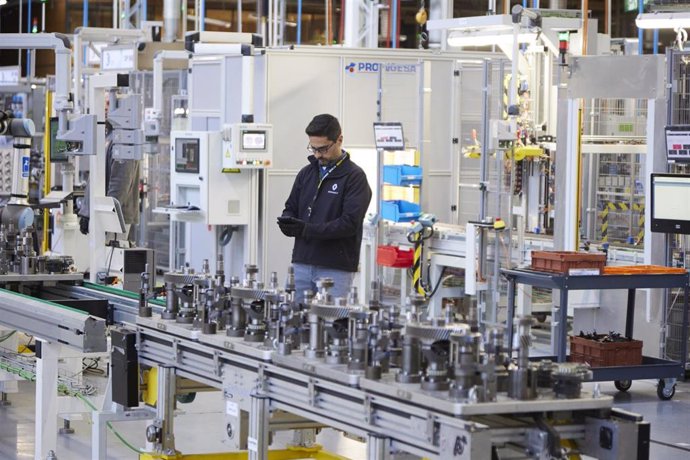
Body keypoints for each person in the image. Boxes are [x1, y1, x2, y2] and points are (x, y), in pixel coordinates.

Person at [279, 114, 372, 302]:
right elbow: (291, 207)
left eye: (323, 149)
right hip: (302, 262)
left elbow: (349, 224)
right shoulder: (306, 173)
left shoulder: (354, 177)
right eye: (313, 148)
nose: (317, 155)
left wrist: (306, 229)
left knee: (332, 322)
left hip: (335, 266)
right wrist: (288, 221)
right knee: (294, 321)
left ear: (339, 140)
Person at [78, 120, 141, 238]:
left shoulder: (124, 140)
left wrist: (107, 219)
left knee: (109, 256)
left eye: (109, 102)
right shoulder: (109, 137)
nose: (105, 106)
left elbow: (120, 183)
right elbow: (96, 178)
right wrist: (87, 212)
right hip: (102, 215)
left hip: (116, 220)